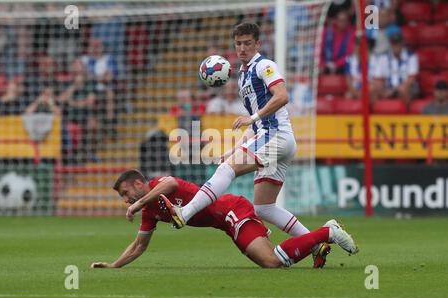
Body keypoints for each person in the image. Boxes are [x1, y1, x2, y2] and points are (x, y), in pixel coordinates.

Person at [160, 22, 329, 263]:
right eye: (238, 44)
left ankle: (184, 214)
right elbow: (255, 125)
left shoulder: (265, 66)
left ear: (257, 44)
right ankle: (316, 243)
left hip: (276, 136)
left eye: (248, 43)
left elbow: (282, 96)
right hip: (272, 138)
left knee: (227, 169)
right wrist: (234, 148)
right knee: (263, 207)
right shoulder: (242, 76)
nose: (242, 48)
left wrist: (253, 117)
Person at [90, 170, 358, 269]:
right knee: (271, 261)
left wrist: (137, 203)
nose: (126, 200)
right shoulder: (150, 211)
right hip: (227, 224)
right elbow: (139, 246)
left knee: (270, 261)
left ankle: (327, 232)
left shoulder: (158, 185)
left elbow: (171, 182)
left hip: (232, 210)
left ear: (139, 184)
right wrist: (115, 265)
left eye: (126, 193)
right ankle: (316, 243)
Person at [371, 30, 419, 107]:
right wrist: (383, 90)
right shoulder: (384, 57)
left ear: (402, 43)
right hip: (388, 88)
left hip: (406, 88)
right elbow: (378, 79)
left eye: (398, 43)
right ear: (390, 44)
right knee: (372, 88)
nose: (396, 46)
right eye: (393, 43)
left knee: (403, 89)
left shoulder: (411, 56)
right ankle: (375, 115)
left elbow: (411, 79)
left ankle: (407, 115)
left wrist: (394, 91)